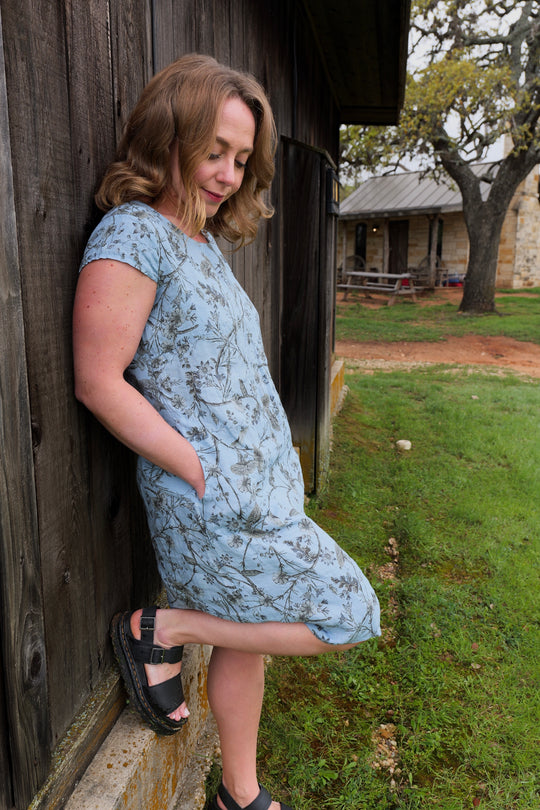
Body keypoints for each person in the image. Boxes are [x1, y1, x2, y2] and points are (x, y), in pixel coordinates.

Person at [73, 53, 380, 810]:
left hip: (258, 494)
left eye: (241, 159)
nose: (228, 173)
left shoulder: (200, 245)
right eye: (215, 151)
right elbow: (98, 379)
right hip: (210, 500)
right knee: (347, 612)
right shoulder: (133, 234)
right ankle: (163, 627)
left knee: (250, 633)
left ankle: (237, 795)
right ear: (168, 135)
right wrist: (196, 466)